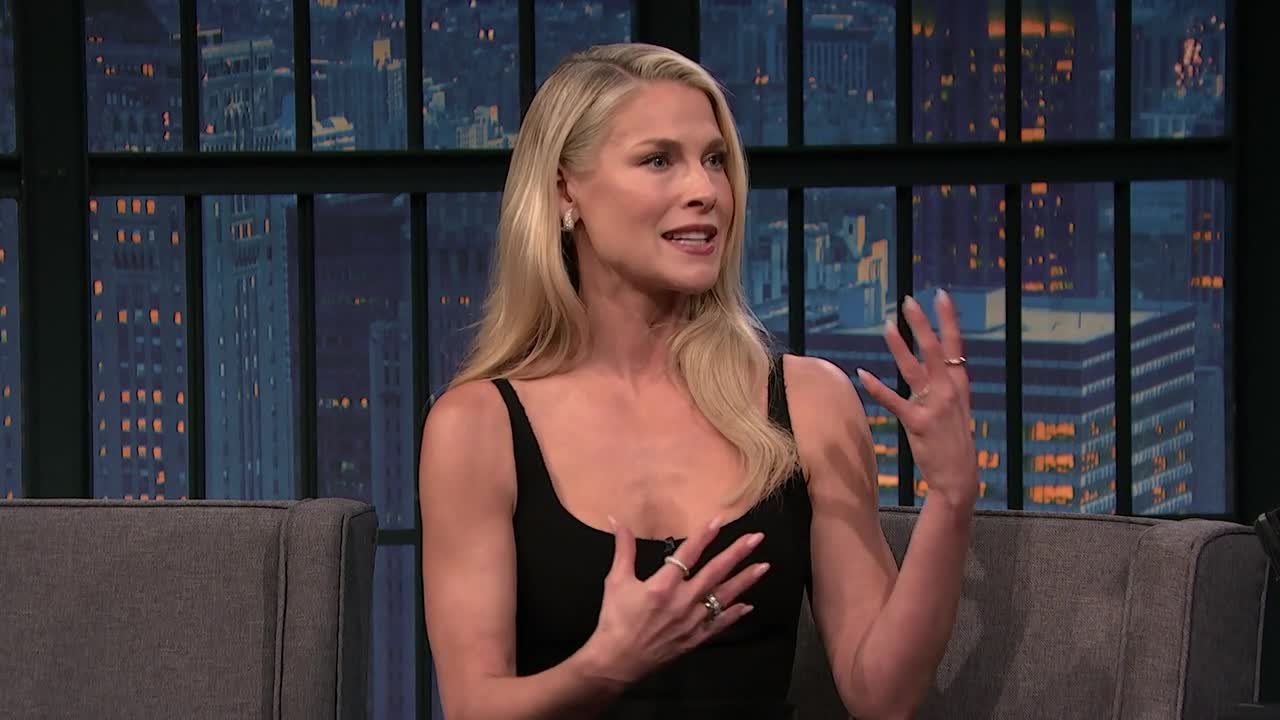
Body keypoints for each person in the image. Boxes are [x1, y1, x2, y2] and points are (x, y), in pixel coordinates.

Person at [419, 42, 980, 719]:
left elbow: (882, 695)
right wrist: (603, 666)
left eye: (715, 160)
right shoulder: (476, 427)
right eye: (659, 160)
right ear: (567, 190)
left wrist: (951, 499)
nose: (706, 191)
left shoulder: (808, 402)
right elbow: (473, 706)